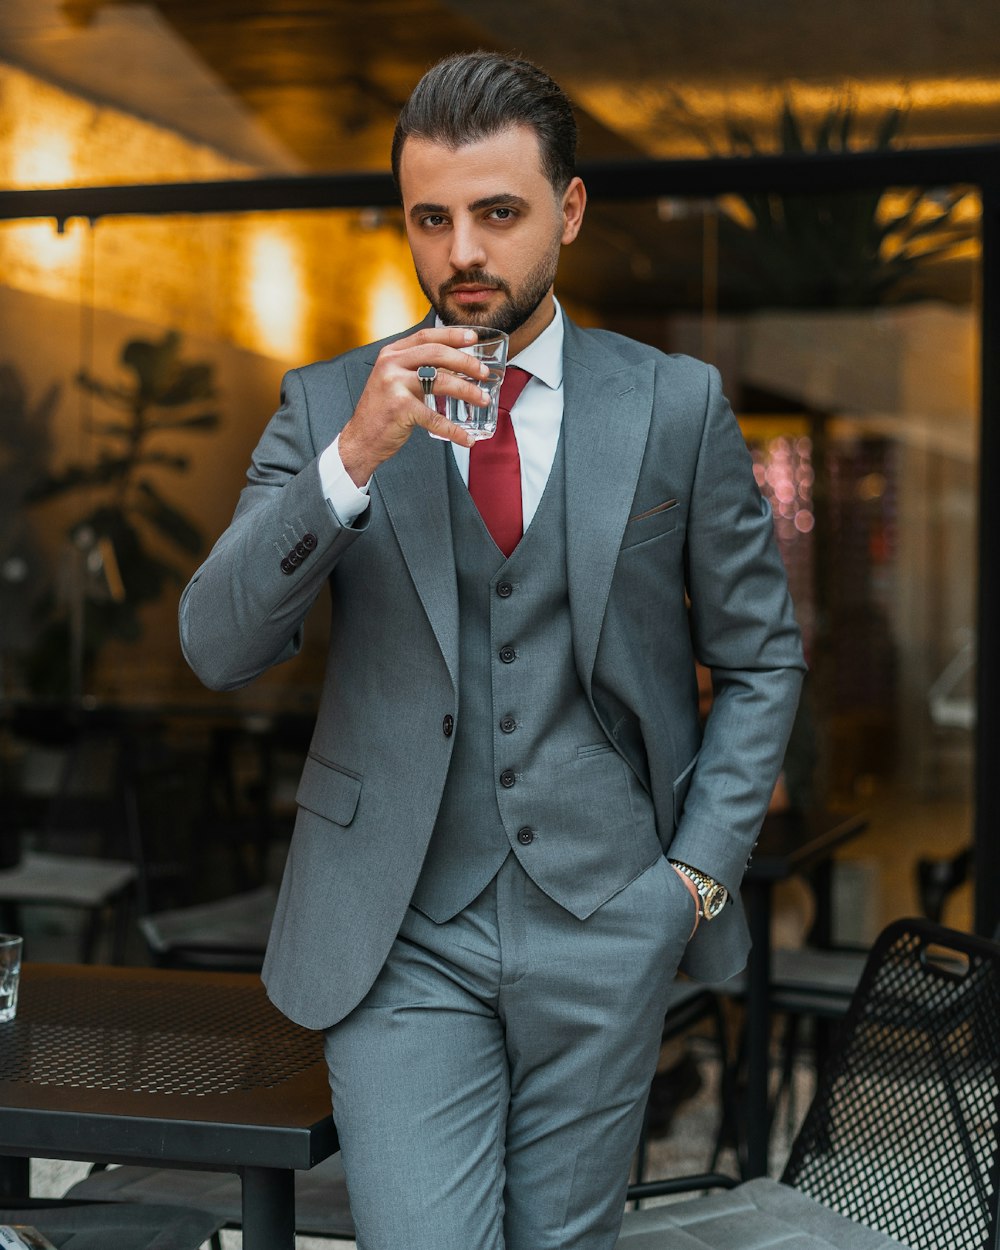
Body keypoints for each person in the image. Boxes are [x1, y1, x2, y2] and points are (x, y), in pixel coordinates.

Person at [179, 51, 805, 1250]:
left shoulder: (673, 405)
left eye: (497, 212)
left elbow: (763, 659)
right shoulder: (328, 405)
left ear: (566, 212)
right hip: (402, 930)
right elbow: (216, 645)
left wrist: (690, 880)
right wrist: (356, 456)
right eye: (431, 218)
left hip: (610, 912)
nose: (461, 250)